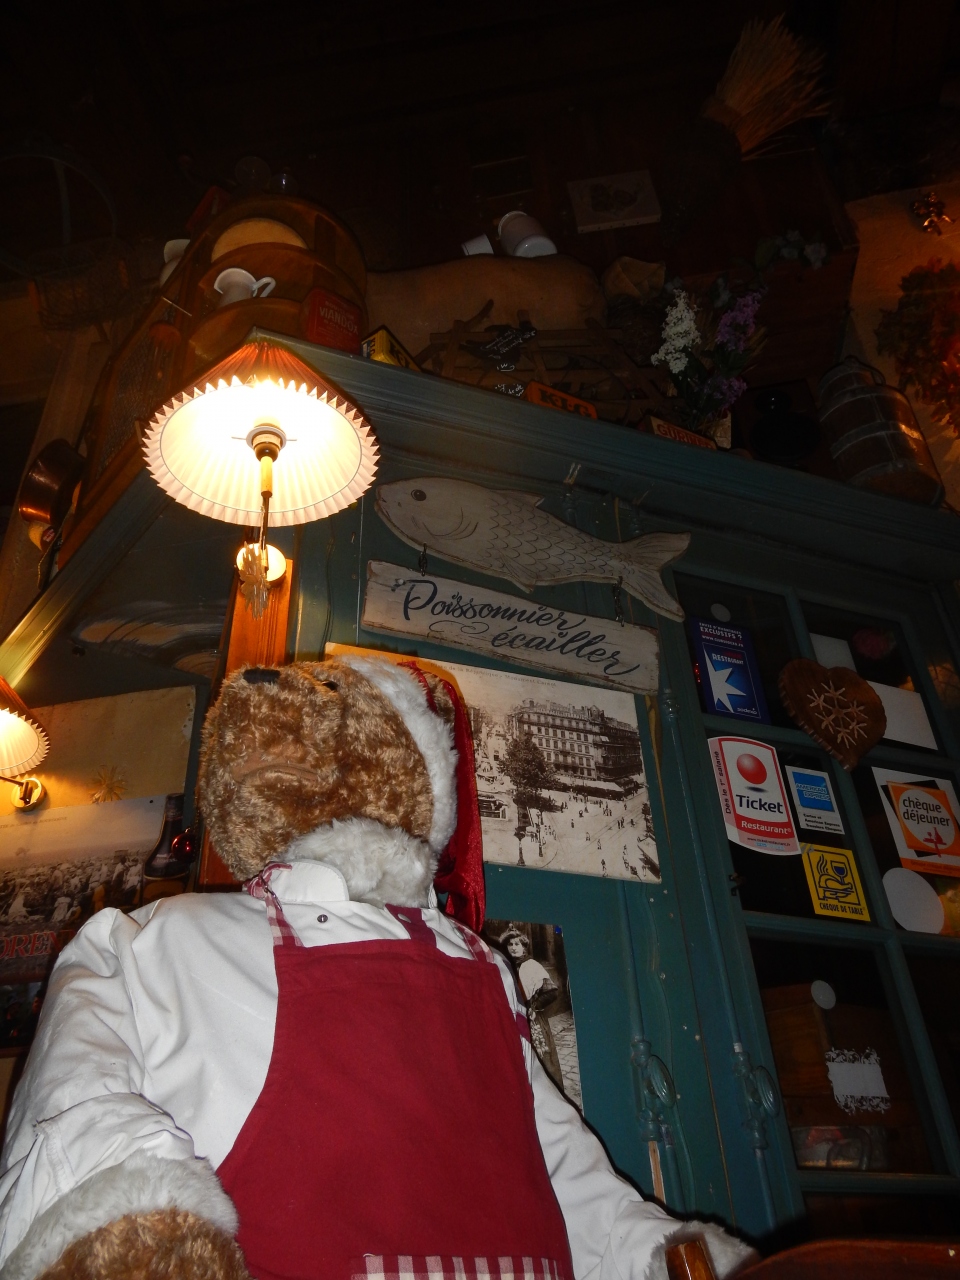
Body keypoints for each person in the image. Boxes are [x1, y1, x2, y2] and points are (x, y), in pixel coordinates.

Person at [500, 925, 564, 1090]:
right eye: (510, 944)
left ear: (524, 947)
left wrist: (534, 1007)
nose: (513, 948)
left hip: (532, 1018)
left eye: (517, 944)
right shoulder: (504, 966)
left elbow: (552, 992)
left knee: (540, 1059)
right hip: (510, 1017)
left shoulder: (532, 965)